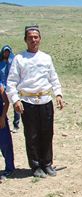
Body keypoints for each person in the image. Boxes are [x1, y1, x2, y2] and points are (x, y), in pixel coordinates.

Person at [6, 25, 65, 178]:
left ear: (40, 39)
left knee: (47, 133)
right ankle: (36, 166)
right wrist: (15, 100)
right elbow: (11, 82)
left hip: (45, 100)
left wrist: (58, 94)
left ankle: (47, 164)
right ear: (25, 40)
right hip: (27, 102)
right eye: (30, 37)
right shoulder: (19, 58)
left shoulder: (46, 58)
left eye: (36, 37)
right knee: (31, 135)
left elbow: (53, 77)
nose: (33, 40)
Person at [0, 45, 20, 133]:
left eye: (8, 51)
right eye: (5, 51)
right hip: (1, 87)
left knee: (15, 105)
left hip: (11, 87)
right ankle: (3, 121)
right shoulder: (0, 62)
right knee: (3, 106)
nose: (6, 53)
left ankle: (16, 125)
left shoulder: (13, 62)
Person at [0, 82, 15, 182]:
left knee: (5, 144)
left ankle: (9, 168)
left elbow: (6, 101)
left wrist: (2, 117)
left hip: (0, 119)